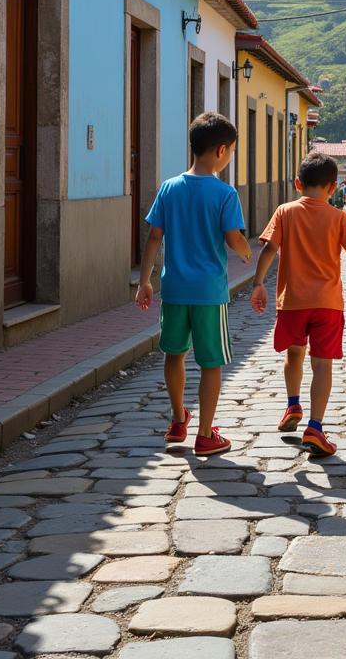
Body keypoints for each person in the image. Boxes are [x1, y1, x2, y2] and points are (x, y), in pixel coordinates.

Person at [250, 151, 346, 456]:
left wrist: (258, 284)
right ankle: (315, 427)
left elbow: (269, 249)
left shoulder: (284, 212)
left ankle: (292, 404)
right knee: (322, 364)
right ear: (334, 187)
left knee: (294, 354)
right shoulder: (338, 217)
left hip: (293, 302)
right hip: (328, 304)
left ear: (298, 183)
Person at [136, 112, 252, 455]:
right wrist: (247, 251)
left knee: (174, 353)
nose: (229, 157)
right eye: (230, 151)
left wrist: (145, 280)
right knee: (211, 362)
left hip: (173, 289)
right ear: (220, 151)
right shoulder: (224, 193)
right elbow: (233, 237)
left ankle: (176, 420)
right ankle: (205, 434)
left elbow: (154, 237)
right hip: (208, 293)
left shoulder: (169, 188)